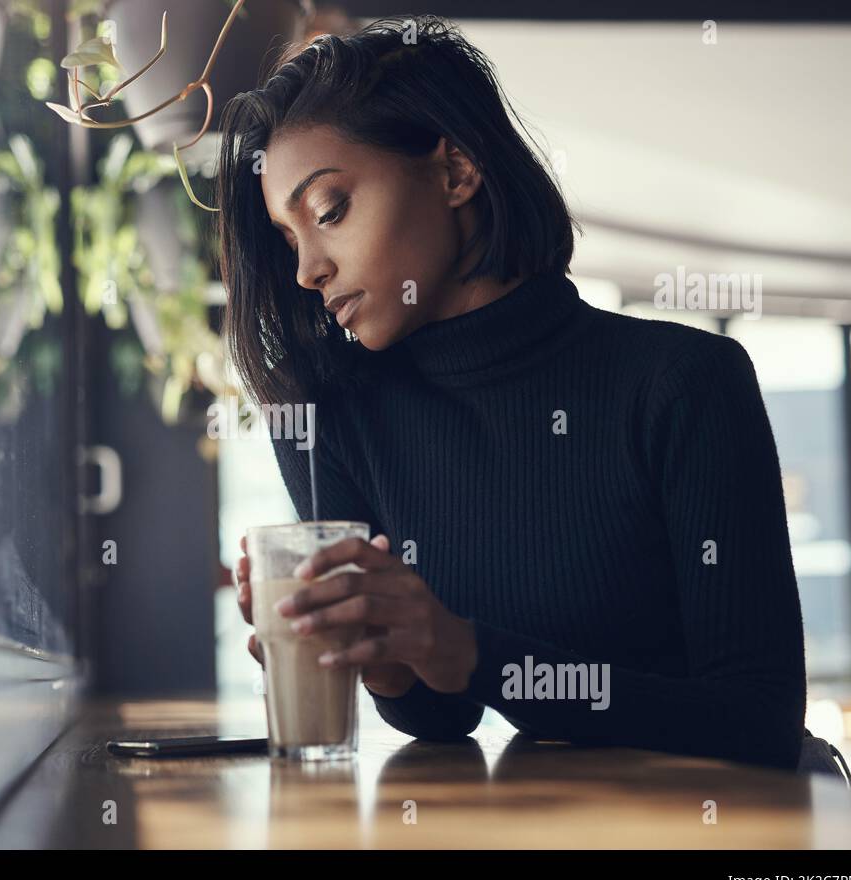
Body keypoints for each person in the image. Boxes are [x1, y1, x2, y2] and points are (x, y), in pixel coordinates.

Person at [217, 16, 806, 771]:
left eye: (329, 210)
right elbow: (440, 714)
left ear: (456, 170)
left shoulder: (686, 385)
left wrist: (467, 649)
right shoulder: (335, 416)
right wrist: (384, 654)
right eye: (290, 237)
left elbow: (756, 718)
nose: (307, 271)